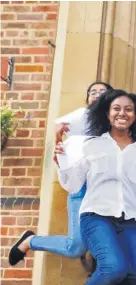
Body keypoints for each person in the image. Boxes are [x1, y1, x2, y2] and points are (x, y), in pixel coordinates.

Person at [25, 89, 136, 285]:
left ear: (135, 115)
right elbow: (73, 185)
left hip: (128, 218)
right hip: (96, 215)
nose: (122, 113)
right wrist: (61, 158)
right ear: (107, 113)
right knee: (113, 268)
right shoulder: (91, 144)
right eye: (116, 108)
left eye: (128, 109)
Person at [8, 81, 113, 268]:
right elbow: (61, 150)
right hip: (81, 187)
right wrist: (58, 138)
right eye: (92, 92)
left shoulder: (119, 121)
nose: (96, 94)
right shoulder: (80, 118)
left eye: (102, 91)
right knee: (76, 247)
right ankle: (30, 241)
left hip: (108, 190)